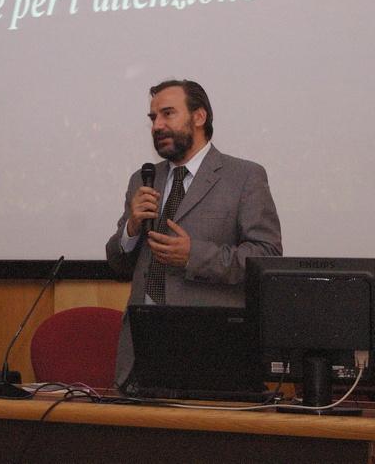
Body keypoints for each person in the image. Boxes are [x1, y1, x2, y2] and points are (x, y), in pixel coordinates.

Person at [105, 79, 282, 388]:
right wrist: (131, 229)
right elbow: (118, 265)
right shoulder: (143, 179)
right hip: (142, 349)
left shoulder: (244, 177)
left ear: (198, 117)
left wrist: (194, 256)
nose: (157, 125)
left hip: (210, 348)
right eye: (153, 118)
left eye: (168, 114)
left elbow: (266, 257)